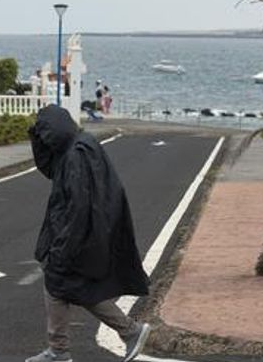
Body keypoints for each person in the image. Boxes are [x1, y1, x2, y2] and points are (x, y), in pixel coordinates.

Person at [26, 106, 151, 362]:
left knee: (59, 284)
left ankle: (61, 351)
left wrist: (63, 246)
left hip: (81, 234)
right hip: (86, 231)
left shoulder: (77, 154)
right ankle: (128, 332)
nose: (46, 138)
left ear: (57, 130)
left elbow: (79, 208)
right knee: (76, 289)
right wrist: (35, 137)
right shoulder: (76, 147)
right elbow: (49, 168)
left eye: (46, 132)